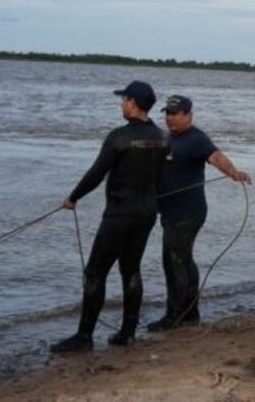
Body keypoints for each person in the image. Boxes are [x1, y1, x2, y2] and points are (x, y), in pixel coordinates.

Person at [50, 81, 167, 353]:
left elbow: (96, 173)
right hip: (147, 212)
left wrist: (73, 197)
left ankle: (84, 336)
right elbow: (160, 177)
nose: (121, 104)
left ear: (133, 103)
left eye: (124, 99)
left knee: (95, 273)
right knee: (131, 269)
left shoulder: (119, 137)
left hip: (120, 214)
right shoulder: (162, 138)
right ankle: (127, 333)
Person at [146, 95, 251, 332]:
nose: (170, 118)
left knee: (174, 261)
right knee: (183, 259)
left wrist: (234, 172)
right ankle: (190, 313)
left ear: (189, 115)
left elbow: (216, 156)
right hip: (170, 211)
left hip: (187, 212)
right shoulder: (168, 137)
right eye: (168, 113)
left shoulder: (196, 139)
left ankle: (173, 315)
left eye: (175, 113)